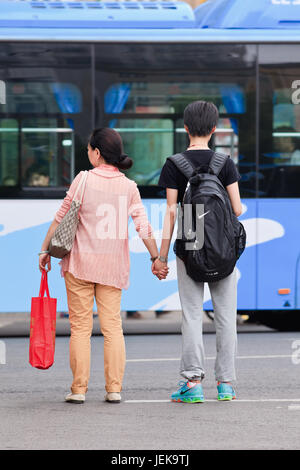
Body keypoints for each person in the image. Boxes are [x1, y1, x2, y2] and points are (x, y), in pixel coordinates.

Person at [39, 128, 168, 404]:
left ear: (97, 153)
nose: (88, 154)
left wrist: (45, 249)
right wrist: (156, 257)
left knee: (81, 329)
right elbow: (143, 226)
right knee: (113, 328)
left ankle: (78, 390)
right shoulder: (129, 187)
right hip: (112, 268)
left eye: (88, 150)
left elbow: (60, 217)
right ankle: (113, 389)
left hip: (80, 265)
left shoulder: (83, 180)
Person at [156, 100, 243, 403]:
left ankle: (192, 384)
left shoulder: (174, 164)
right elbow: (237, 208)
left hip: (189, 242)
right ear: (215, 129)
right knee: (225, 316)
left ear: (185, 128)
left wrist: (161, 255)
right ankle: (226, 384)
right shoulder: (225, 162)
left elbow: (170, 212)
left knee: (192, 315)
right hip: (223, 247)